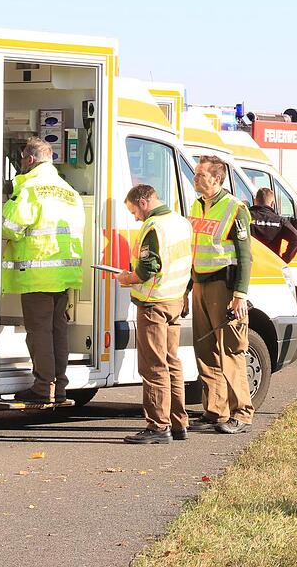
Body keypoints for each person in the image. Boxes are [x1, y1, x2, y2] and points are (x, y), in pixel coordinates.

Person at [1, 136, 85, 403]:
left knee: (38, 332)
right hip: (64, 273)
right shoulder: (68, 190)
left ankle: (43, 387)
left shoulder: (30, 188)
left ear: (30, 159)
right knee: (57, 330)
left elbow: (10, 227)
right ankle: (59, 385)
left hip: (38, 272)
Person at [116, 184, 193, 445]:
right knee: (172, 363)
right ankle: (178, 422)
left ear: (144, 202)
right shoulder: (181, 222)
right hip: (174, 300)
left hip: (154, 303)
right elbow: (187, 263)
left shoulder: (154, 227)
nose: (135, 216)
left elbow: (148, 268)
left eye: (134, 210)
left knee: (153, 365)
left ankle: (158, 426)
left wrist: (127, 278)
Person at [188, 155, 255, 434]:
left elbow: (245, 256)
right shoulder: (197, 204)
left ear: (216, 179)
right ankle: (215, 410)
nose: (195, 178)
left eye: (201, 175)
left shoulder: (234, 208)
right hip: (200, 283)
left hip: (223, 287)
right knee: (205, 350)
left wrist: (239, 295)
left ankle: (242, 412)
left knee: (230, 349)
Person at [249, 187, 297, 263]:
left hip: (252, 264)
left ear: (255, 201)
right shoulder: (280, 221)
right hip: (273, 265)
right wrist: (283, 260)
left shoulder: (246, 217)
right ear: (272, 203)